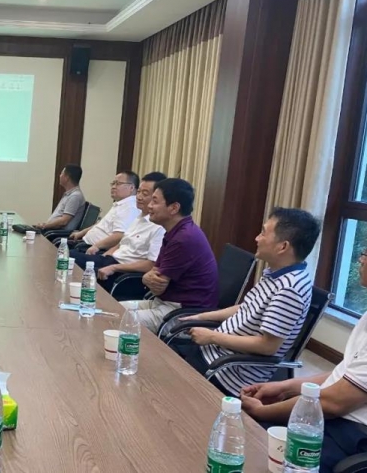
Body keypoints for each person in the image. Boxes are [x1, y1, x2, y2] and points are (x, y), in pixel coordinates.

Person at [239, 245, 367, 470]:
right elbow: (344, 374)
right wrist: (285, 387)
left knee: (254, 449)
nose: (361, 259)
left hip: (349, 436)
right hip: (330, 421)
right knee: (241, 434)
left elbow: (335, 402)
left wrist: (263, 412)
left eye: (366, 253)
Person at [171, 208, 321, 396]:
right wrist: (201, 316)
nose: (257, 238)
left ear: (282, 247)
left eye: (263, 233)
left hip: (228, 373)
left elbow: (268, 346)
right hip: (213, 353)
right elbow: (247, 307)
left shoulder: (290, 289)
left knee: (160, 381)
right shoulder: (276, 273)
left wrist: (212, 336)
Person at [119, 178, 218, 333]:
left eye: (155, 201)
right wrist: (148, 277)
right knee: (112, 309)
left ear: (174, 208)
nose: (149, 206)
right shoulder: (175, 232)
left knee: (118, 319)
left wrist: (147, 278)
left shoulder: (184, 239)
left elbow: (157, 287)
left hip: (182, 314)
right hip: (163, 304)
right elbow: (155, 273)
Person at [71, 172, 167, 291]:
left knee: (74, 267)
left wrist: (114, 267)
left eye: (145, 194)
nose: (139, 197)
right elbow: (122, 243)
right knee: (68, 258)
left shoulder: (159, 227)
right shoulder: (139, 217)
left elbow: (151, 264)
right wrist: (105, 256)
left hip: (123, 273)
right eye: (139, 192)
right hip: (111, 260)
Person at [68, 171, 141, 253]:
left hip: (94, 250)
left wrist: (96, 246)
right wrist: (81, 233)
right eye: (113, 183)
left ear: (131, 188)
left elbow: (119, 236)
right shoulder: (120, 204)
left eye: (118, 184)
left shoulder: (129, 207)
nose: (113, 187)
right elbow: (101, 225)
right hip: (85, 243)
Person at [33, 164, 86, 231]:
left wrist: (44, 226)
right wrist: (45, 225)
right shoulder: (69, 194)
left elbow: (63, 221)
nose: (60, 176)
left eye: (61, 173)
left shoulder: (75, 196)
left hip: (57, 234)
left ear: (67, 177)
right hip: (51, 230)